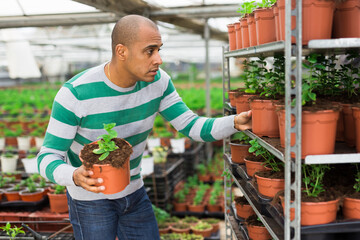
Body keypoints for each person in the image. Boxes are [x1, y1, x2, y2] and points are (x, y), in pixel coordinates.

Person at [37, 15, 252, 240]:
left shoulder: (159, 82)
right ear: (122, 52)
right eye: (149, 51)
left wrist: (235, 122)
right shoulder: (75, 94)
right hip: (90, 202)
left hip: (135, 194)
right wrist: (75, 176)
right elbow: (47, 157)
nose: (158, 59)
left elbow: (192, 126)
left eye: (159, 49)